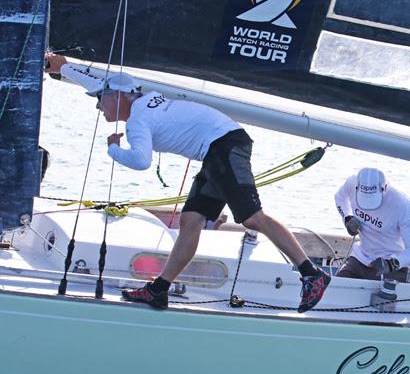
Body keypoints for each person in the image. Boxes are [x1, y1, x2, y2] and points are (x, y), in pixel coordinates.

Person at [44, 55, 330, 312]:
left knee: (253, 218)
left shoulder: (137, 121)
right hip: (217, 148)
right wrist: (65, 68)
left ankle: (311, 273)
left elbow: (141, 162)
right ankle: (158, 290)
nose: (97, 105)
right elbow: (101, 81)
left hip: (224, 145)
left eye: (99, 99)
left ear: (118, 97)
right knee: (191, 220)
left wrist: (113, 149)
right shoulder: (138, 98)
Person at [333, 168, 410, 281]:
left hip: (391, 264)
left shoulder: (403, 205)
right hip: (361, 257)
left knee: (384, 298)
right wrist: (347, 217)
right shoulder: (351, 183)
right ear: (357, 187)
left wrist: (391, 263)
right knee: (335, 288)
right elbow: (339, 197)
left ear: (384, 188)